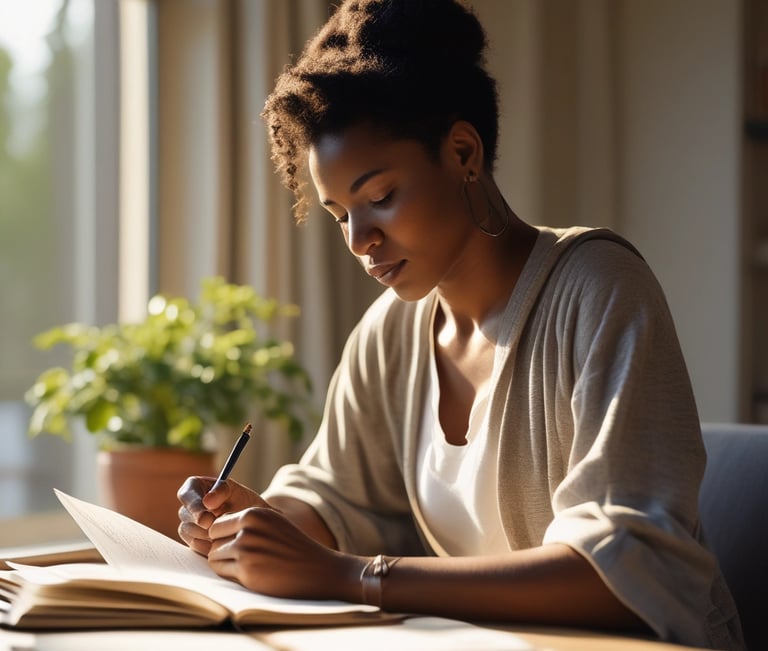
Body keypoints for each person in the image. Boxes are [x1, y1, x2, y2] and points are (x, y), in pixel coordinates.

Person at [177, 1, 744, 649]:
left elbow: (624, 567)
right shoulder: (390, 333)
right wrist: (255, 521)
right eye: (339, 214)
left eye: (380, 197)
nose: (360, 240)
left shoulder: (600, 289)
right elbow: (337, 496)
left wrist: (353, 576)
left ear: (463, 152)